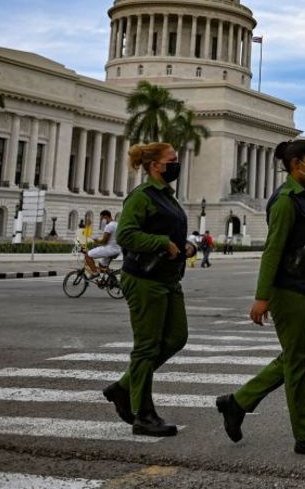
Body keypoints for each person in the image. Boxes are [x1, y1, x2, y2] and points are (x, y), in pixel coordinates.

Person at [215, 139, 305, 458]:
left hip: (303, 283)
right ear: (296, 163)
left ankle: (237, 403)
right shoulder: (285, 200)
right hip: (285, 288)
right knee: (296, 362)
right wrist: (261, 297)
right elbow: (273, 250)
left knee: (296, 357)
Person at [103, 142, 193, 437]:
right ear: (155, 165)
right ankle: (143, 414)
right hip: (144, 278)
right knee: (146, 347)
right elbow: (127, 234)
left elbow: (169, 234)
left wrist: (186, 246)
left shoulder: (167, 196)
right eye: (172, 160)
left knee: (176, 337)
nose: (176, 164)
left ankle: (124, 386)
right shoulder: (141, 196)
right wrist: (161, 243)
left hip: (168, 278)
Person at [84, 210, 120, 277]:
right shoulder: (117, 224)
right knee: (102, 265)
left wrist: (96, 240)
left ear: (106, 216)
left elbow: (104, 242)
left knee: (87, 256)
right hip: (117, 249)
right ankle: (112, 279)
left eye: (101, 219)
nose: (102, 221)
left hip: (110, 249)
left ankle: (95, 273)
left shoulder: (109, 226)